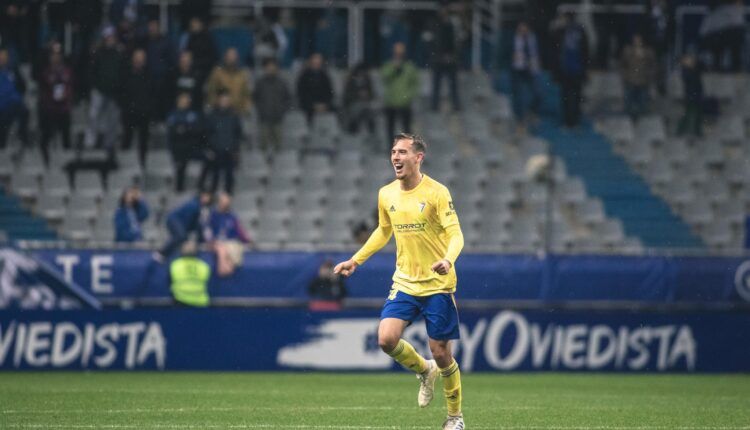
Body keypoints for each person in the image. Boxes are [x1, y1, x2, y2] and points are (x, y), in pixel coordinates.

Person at [333, 133, 465, 430]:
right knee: (386, 339)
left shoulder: (437, 192)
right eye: (393, 151)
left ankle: (455, 417)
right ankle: (423, 370)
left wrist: (448, 259)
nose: (396, 157)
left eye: (403, 152)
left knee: (442, 352)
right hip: (405, 281)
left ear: (418, 157)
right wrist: (356, 260)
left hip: (437, 283)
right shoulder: (386, 194)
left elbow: (456, 233)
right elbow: (383, 230)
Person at [85, 26, 123, 152]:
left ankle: (109, 144)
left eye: (111, 37)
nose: (110, 39)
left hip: (113, 92)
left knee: (112, 119)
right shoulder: (98, 53)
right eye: (107, 37)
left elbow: (122, 72)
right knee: (93, 115)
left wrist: (118, 88)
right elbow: (92, 71)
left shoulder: (119, 54)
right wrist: (96, 85)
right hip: (99, 90)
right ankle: (90, 142)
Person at [552, 12, 589, 128]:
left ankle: (575, 121)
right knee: (566, 97)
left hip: (576, 70)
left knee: (576, 97)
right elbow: (555, 51)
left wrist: (585, 70)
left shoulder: (580, 32)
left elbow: (586, 52)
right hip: (565, 70)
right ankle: (567, 121)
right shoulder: (560, 32)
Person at [37, 50, 74, 165]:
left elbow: (71, 87)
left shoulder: (67, 71)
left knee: (66, 137)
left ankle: (66, 162)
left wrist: (66, 95)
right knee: (46, 136)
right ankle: (45, 160)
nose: (55, 58)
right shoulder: (46, 72)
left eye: (57, 56)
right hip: (50, 109)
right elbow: (43, 90)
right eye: (53, 56)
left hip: (63, 109)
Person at [381, 42, 419, 149]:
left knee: (406, 129)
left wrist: (409, 95)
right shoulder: (389, 65)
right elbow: (384, 77)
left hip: (404, 103)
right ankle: (391, 148)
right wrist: (394, 68)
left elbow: (415, 83)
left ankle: (407, 149)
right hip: (391, 102)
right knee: (390, 128)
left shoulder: (409, 67)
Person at [203, 91, 242, 193]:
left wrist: (236, 150)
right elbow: (207, 133)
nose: (225, 102)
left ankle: (228, 197)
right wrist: (209, 148)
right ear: (218, 101)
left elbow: (238, 134)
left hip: (230, 151)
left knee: (229, 176)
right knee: (214, 177)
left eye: (227, 100)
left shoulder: (234, 115)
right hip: (216, 150)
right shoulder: (212, 115)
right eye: (223, 100)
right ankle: (213, 197)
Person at [120, 49, 153, 166]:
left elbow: (152, 94)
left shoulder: (149, 75)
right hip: (129, 112)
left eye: (141, 58)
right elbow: (122, 93)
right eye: (137, 58)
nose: (139, 61)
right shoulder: (126, 74)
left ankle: (142, 165)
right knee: (126, 138)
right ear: (133, 59)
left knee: (143, 142)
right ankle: (124, 164)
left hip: (144, 112)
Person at [157, 191, 213, 260]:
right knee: (181, 236)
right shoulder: (194, 205)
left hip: (182, 223)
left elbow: (199, 225)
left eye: (209, 197)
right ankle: (161, 253)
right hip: (174, 219)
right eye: (206, 196)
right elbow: (187, 220)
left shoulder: (202, 208)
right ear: (202, 196)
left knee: (186, 238)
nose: (207, 199)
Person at [167, 92, 204, 192]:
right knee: (180, 167)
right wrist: (185, 129)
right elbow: (172, 131)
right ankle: (179, 189)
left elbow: (197, 130)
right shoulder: (174, 114)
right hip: (178, 147)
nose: (184, 103)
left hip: (191, 146)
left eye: (186, 101)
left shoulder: (193, 114)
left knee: (207, 159)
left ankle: (200, 188)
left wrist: (184, 129)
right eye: (182, 101)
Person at [208, 192, 251, 276]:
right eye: (223, 202)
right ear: (219, 203)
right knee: (221, 248)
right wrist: (211, 241)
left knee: (231, 247)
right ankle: (222, 269)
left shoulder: (232, 216)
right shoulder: (213, 215)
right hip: (216, 243)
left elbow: (240, 231)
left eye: (227, 203)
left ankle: (227, 268)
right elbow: (207, 230)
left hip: (231, 242)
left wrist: (247, 240)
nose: (226, 205)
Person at [254, 57, 291, 152]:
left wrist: (282, 110)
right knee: (263, 146)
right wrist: (261, 110)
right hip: (264, 119)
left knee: (279, 146)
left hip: (278, 119)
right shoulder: (260, 83)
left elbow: (287, 99)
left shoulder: (282, 83)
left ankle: (279, 165)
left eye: (272, 67)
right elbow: (255, 98)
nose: (270, 69)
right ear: (265, 69)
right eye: (268, 67)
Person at [428, 6, 462, 112]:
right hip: (438, 59)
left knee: (453, 85)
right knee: (436, 85)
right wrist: (439, 55)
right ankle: (434, 106)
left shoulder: (452, 25)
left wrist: (451, 55)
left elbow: (455, 42)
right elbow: (433, 43)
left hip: (450, 59)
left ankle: (456, 106)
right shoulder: (434, 25)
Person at [510, 21, 541, 133]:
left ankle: (532, 112)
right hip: (518, 69)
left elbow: (536, 52)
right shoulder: (513, 38)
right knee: (519, 95)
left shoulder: (532, 38)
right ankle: (520, 119)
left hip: (531, 68)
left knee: (537, 93)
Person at [141, 19, 175, 120]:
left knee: (162, 103)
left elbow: (172, 60)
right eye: (150, 26)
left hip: (163, 79)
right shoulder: (144, 42)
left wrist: (167, 74)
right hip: (148, 79)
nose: (152, 29)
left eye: (154, 26)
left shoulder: (166, 42)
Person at [204, 47, 252, 114]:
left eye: (233, 56)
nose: (231, 59)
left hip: (238, 113)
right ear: (225, 57)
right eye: (229, 56)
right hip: (220, 112)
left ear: (237, 58)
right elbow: (211, 92)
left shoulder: (242, 74)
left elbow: (247, 95)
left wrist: (246, 109)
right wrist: (215, 105)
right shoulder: (217, 73)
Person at [620, 34, 656, 120]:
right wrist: (625, 76)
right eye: (635, 39)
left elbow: (653, 65)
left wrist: (649, 75)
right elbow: (623, 65)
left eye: (639, 39)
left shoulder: (648, 51)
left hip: (643, 81)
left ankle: (642, 122)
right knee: (629, 105)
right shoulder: (628, 50)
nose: (637, 41)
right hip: (630, 80)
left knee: (643, 105)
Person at [0, 47, 28, 149]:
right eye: (1, 56)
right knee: (3, 120)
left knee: (24, 112)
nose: (2, 58)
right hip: (2, 105)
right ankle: (2, 145)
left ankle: (22, 140)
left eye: (4, 56)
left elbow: (23, 86)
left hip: (14, 103)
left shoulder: (13, 70)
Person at [169, 240, 211, 307]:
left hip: (180, 301)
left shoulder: (175, 265)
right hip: (200, 303)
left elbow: (169, 282)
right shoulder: (204, 266)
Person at [296, 52, 334, 125]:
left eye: (319, 62)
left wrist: (324, 104)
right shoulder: (304, 77)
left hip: (323, 105)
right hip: (308, 106)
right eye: (315, 62)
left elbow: (329, 92)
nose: (317, 64)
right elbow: (302, 93)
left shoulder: (325, 76)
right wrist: (313, 105)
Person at [179, 17, 217, 85]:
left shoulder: (208, 38)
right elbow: (186, 54)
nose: (194, 26)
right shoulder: (189, 38)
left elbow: (213, 57)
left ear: (200, 24)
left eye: (195, 24)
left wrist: (197, 63)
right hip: (192, 69)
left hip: (205, 69)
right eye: (192, 25)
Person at [341, 63, 376, 136]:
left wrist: (367, 95)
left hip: (365, 104)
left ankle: (371, 132)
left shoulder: (367, 80)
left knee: (369, 110)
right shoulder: (351, 81)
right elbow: (347, 95)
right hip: (353, 103)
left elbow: (372, 93)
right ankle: (353, 130)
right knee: (356, 110)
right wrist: (358, 95)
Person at [677, 52, 703, 138]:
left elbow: (701, 65)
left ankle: (697, 132)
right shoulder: (685, 71)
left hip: (698, 95)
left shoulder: (696, 69)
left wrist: (694, 62)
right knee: (687, 114)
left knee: (698, 114)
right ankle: (680, 131)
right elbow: (689, 79)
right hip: (690, 96)